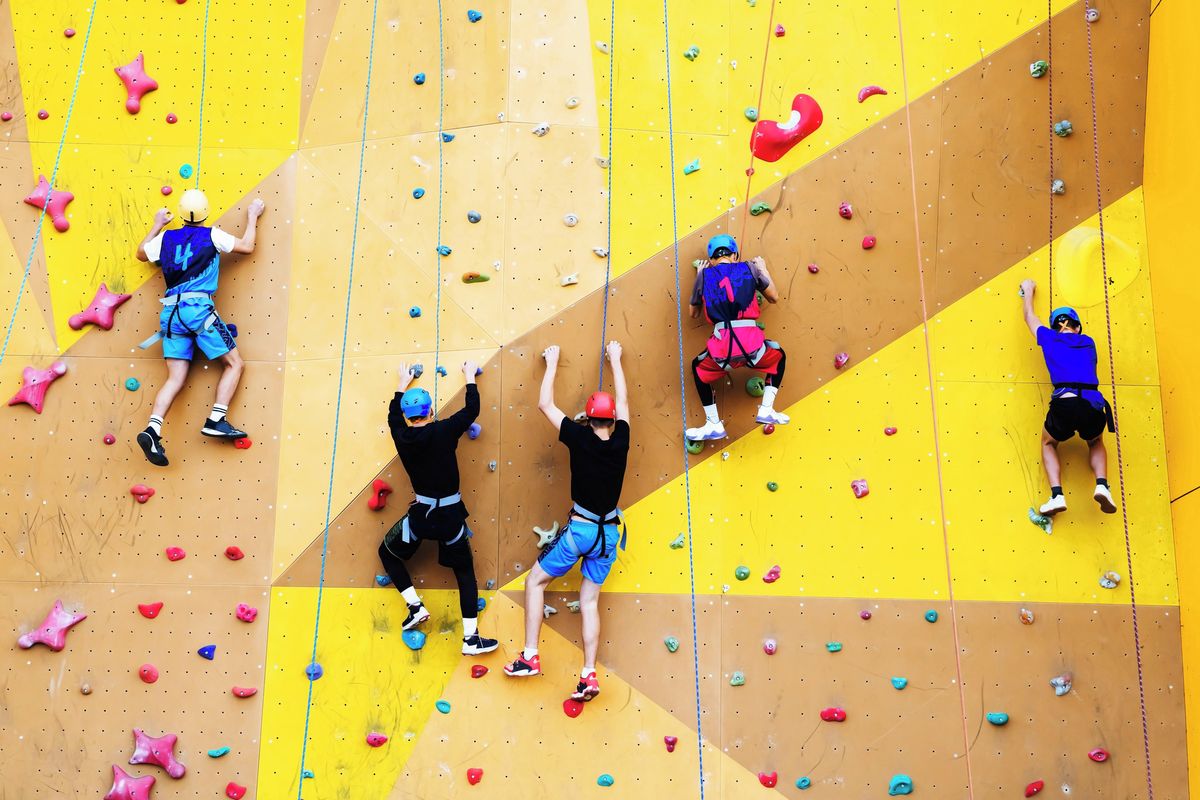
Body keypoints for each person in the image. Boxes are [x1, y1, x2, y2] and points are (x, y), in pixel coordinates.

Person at [504, 341, 630, 703]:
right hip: (608, 535)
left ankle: (530, 655)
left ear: (588, 420)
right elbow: (623, 403)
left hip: (581, 530)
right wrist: (616, 360)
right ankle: (589, 675)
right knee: (589, 601)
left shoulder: (577, 438)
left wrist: (553, 362)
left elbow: (545, 405)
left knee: (535, 582)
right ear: (611, 421)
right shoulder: (621, 439)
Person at [133, 189, 264, 467]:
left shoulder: (166, 238)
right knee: (234, 364)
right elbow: (247, 246)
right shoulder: (212, 235)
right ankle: (217, 418)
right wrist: (252, 216)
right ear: (206, 212)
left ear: (180, 213)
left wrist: (158, 224)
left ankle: (153, 429)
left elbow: (141, 254)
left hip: (171, 313)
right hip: (198, 310)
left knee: (175, 378)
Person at [380, 360, 498, 656]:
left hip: (420, 518)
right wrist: (470, 377)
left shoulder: (401, 435)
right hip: (449, 519)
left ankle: (415, 606)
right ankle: (470, 639)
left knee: (387, 553)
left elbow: (392, 416)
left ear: (408, 418)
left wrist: (400, 384)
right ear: (431, 412)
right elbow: (472, 410)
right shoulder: (445, 430)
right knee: (464, 573)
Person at [1020, 279, 1117, 516]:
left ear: (1055, 328)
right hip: (1092, 402)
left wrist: (1028, 291)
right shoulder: (1088, 342)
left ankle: (1056, 495)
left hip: (1065, 400)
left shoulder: (1050, 339)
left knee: (1048, 442)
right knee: (1095, 441)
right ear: (1077, 327)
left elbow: (1029, 317)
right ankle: (1102, 485)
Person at [685, 234, 788, 441]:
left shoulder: (704, 275)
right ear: (734, 254)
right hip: (753, 346)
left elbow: (693, 314)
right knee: (778, 356)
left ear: (712, 259)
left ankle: (713, 423)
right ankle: (767, 409)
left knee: (698, 368)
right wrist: (762, 268)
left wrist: (699, 276)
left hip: (721, 351)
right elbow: (774, 297)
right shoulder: (750, 268)